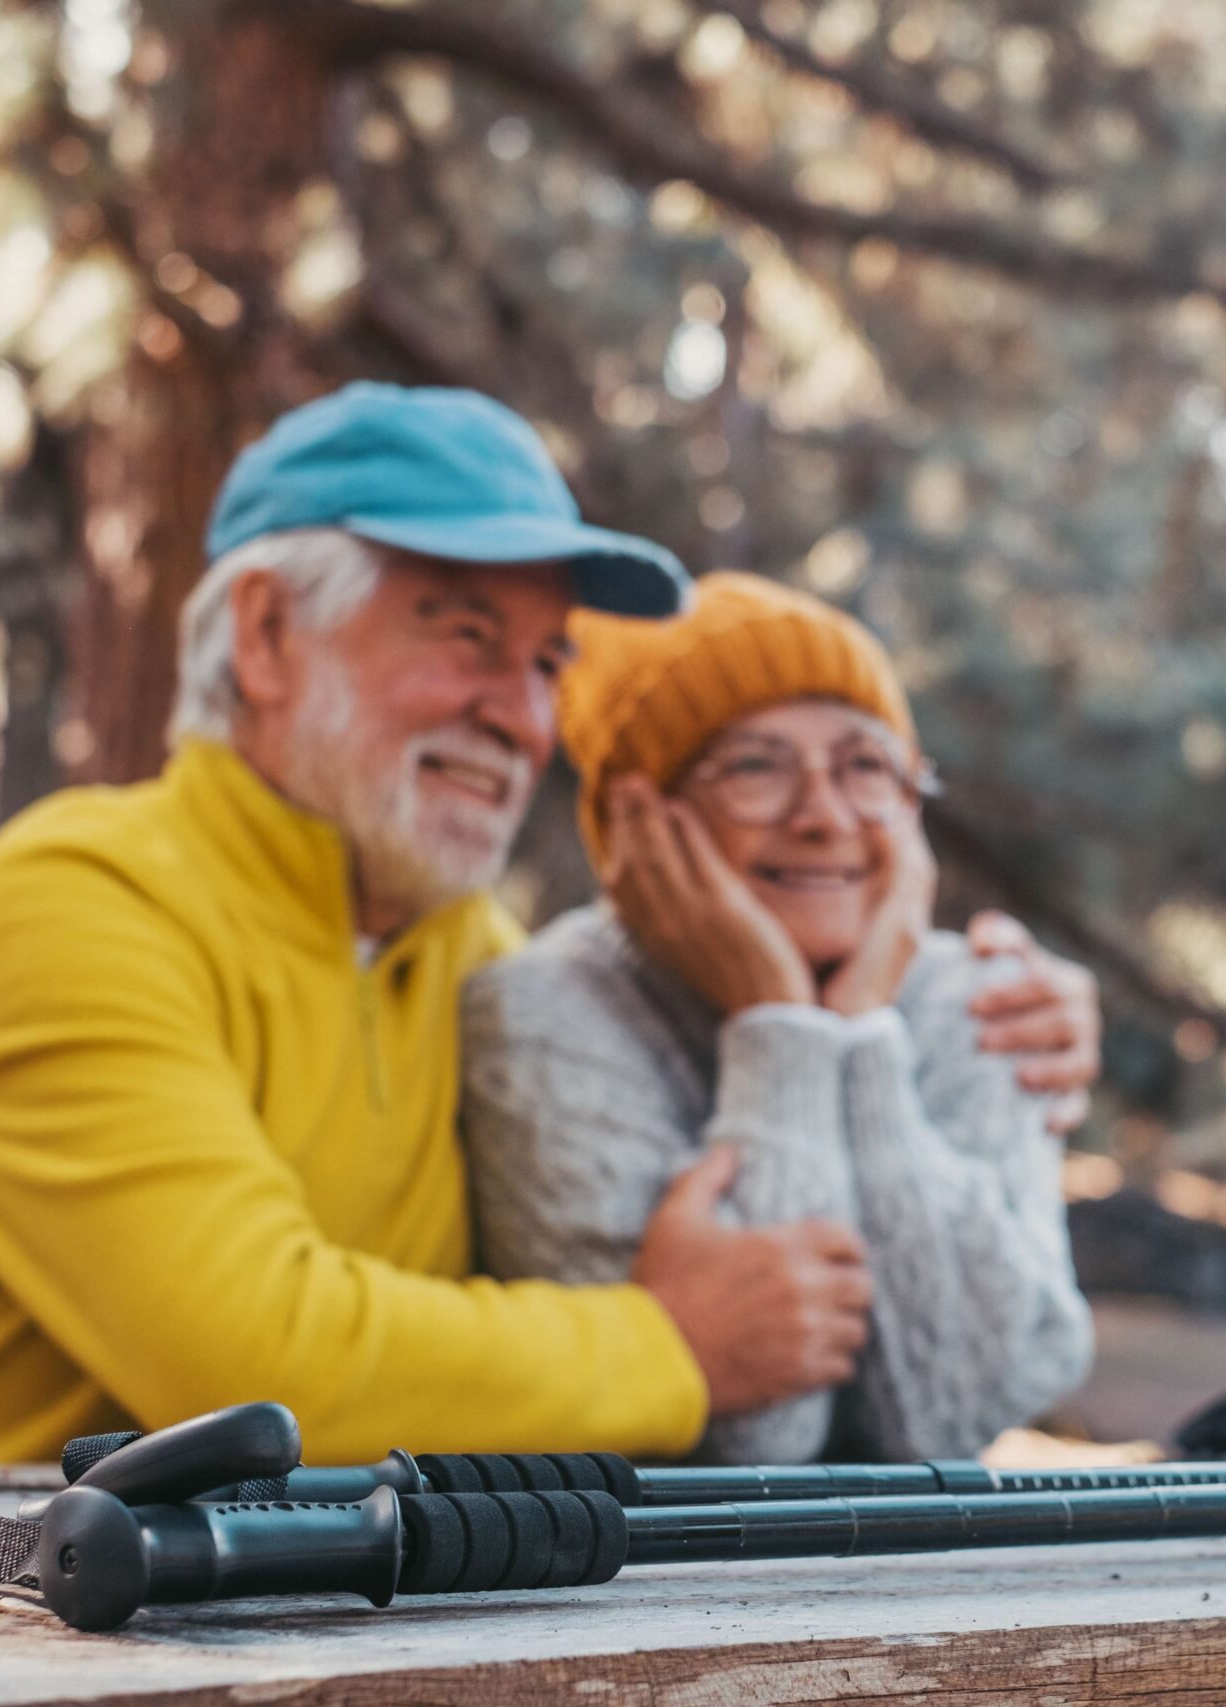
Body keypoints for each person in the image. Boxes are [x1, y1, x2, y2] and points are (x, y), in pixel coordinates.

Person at [0, 384, 1102, 1464]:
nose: (522, 716)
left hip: (251, 1638)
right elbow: (253, 1365)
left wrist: (954, 1005)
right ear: (265, 636)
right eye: (466, 633)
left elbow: (666, 1012)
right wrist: (675, 1342)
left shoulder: (474, 959)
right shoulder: (73, 901)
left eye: (545, 664)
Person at [460, 575, 1093, 1462]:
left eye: (866, 766)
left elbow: (954, 1416)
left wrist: (864, 1031)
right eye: (755, 766)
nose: (825, 817)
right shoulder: (539, 1019)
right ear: (636, 826)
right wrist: (780, 1028)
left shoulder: (984, 999)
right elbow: (747, 1445)